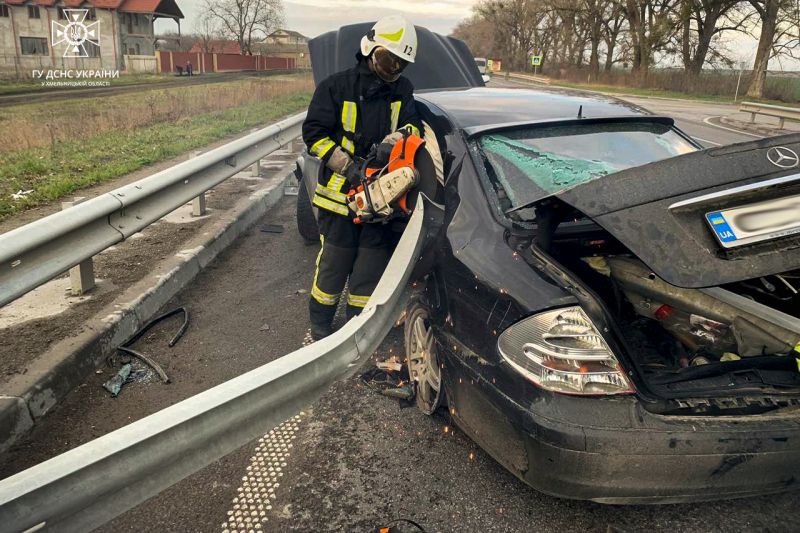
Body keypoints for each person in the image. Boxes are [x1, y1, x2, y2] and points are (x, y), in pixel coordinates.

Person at [302, 15, 422, 340]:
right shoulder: (336, 86)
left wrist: (392, 143)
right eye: (388, 59)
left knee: (369, 272)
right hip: (339, 200)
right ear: (371, 49)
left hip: (380, 203)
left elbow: (414, 127)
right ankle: (321, 327)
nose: (393, 69)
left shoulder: (403, 91)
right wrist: (348, 165)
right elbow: (314, 134)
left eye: (400, 64)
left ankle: (358, 329)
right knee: (333, 267)